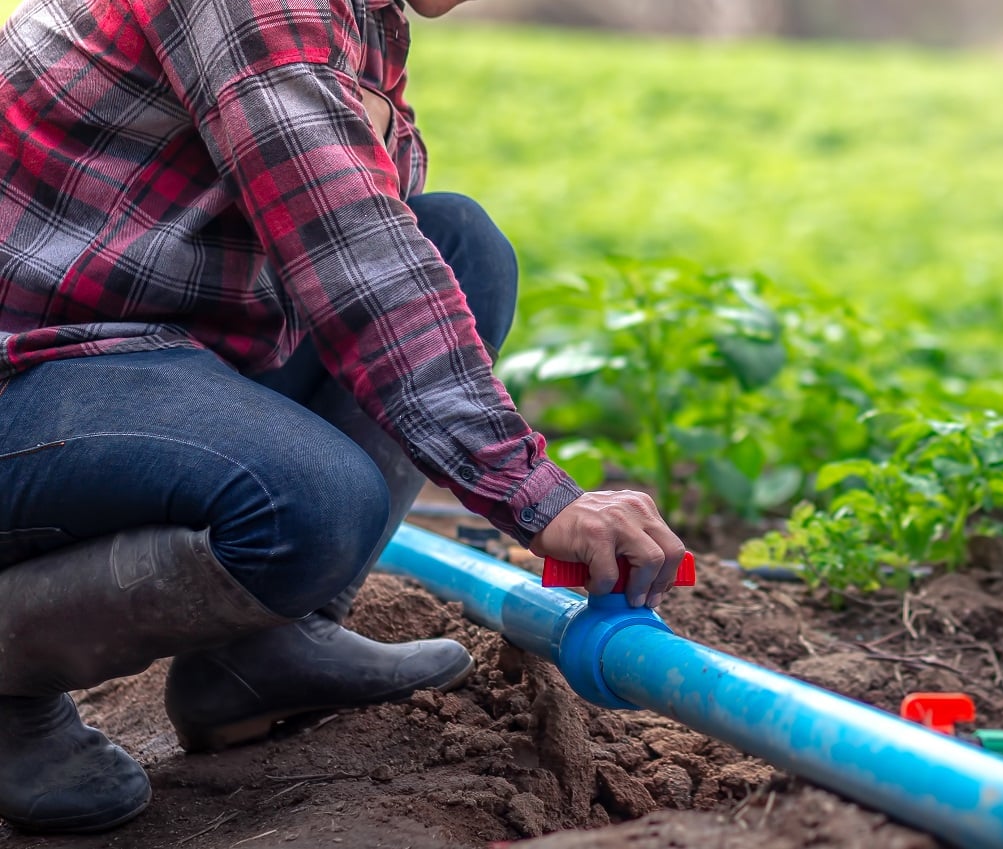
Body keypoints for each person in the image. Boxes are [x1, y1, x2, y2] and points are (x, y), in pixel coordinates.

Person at [0, 0, 686, 834]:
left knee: (460, 243)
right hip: (30, 368)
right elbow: (354, 250)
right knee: (310, 505)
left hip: (144, 341)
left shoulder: (366, 10)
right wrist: (538, 496)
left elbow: (373, 198)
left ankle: (259, 655)